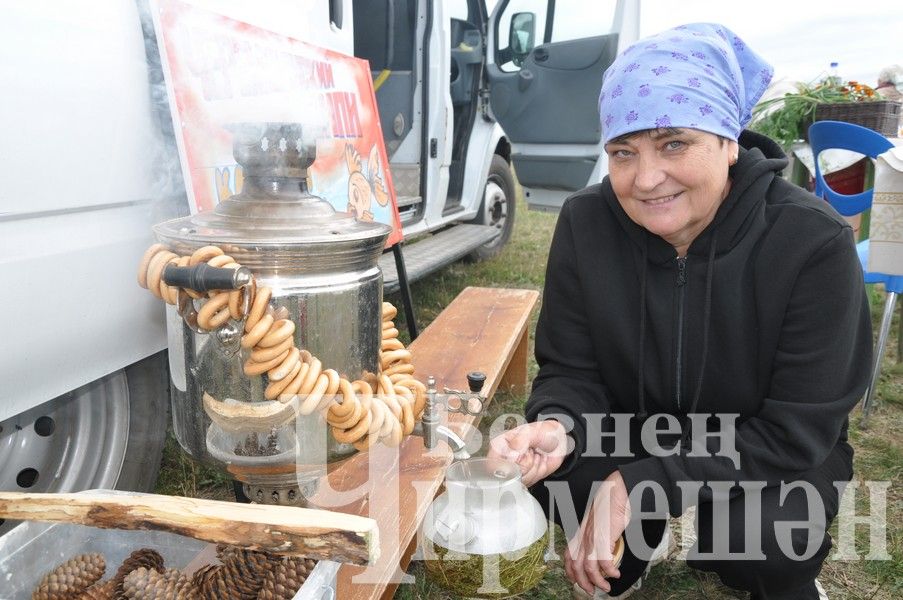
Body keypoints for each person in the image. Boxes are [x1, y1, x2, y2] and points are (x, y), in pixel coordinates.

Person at [488, 23, 872, 600]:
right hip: (635, 425)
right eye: (623, 152)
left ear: (728, 141)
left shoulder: (810, 241)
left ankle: (782, 580)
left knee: (757, 537)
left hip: (765, 443)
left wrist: (640, 483)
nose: (646, 179)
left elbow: (797, 430)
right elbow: (571, 369)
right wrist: (558, 426)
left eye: (673, 144)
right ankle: (625, 560)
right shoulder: (585, 223)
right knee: (554, 474)